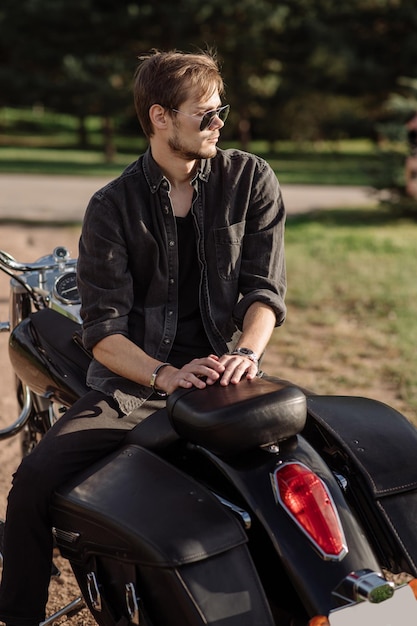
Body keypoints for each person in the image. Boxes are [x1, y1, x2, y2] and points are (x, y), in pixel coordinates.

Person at [0, 49, 286, 626]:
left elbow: (264, 293)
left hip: (228, 374)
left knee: (304, 475)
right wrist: (165, 374)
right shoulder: (111, 206)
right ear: (161, 117)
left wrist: (244, 355)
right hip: (135, 384)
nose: (219, 123)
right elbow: (103, 334)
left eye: (220, 111)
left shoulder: (250, 178)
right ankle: (19, 614)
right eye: (205, 114)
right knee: (31, 482)